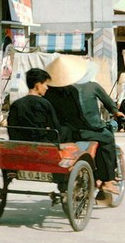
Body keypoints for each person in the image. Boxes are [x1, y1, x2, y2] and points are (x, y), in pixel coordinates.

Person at [45, 57, 120, 195]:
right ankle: (108, 180)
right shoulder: (89, 87)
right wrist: (114, 113)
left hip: (61, 132)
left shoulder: (49, 91)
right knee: (107, 138)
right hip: (82, 131)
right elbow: (86, 116)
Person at [7, 68, 66, 143]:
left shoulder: (16, 104)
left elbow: (11, 129)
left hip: (19, 144)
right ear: (37, 85)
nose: (47, 88)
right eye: (45, 84)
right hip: (41, 144)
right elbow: (56, 130)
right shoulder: (44, 103)